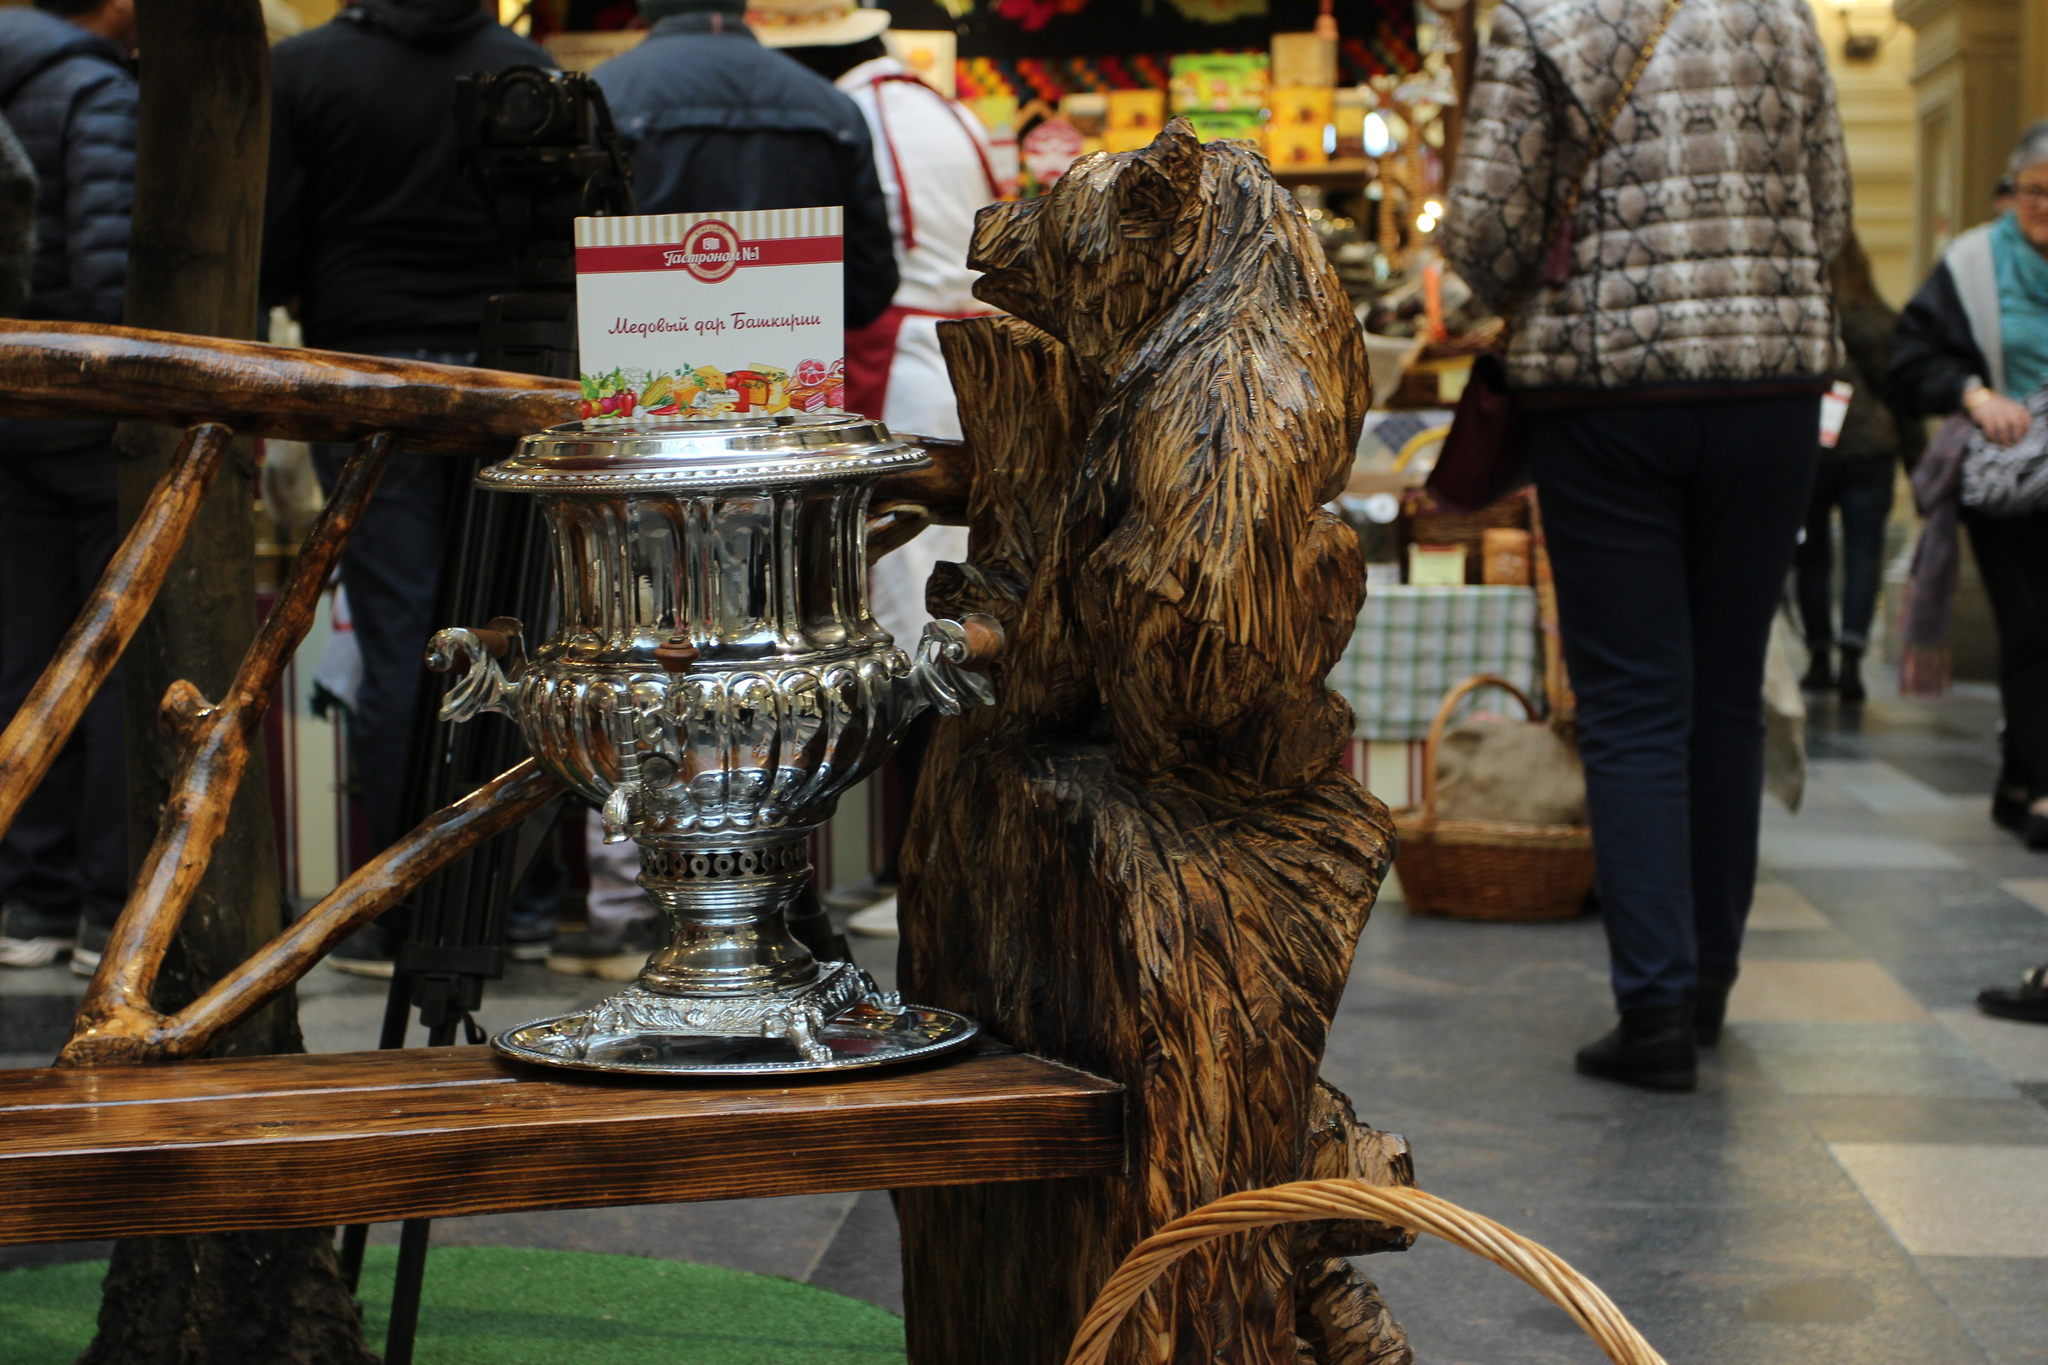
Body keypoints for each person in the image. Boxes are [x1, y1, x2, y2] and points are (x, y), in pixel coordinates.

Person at [1445, 0, 1848, 1091]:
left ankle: (1654, 1009)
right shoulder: (1788, 18)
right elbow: (1828, 207)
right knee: (1725, 693)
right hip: (1772, 382)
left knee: (1629, 704)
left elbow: (1486, 230)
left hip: (1607, 394)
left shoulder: (1542, 21)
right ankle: (1708, 984)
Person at [262, 0, 554, 973]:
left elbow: (274, 239)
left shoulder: (305, 70)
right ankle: (512, 900)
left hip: (366, 374)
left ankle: (401, 901)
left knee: (399, 644)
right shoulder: (525, 68)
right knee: (508, 635)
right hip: (503, 379)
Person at [780, 21, 999, 932]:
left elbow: (861, 271)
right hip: (971, 365)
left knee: (915, 612)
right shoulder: (950, 109)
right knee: (957, 599)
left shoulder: (848, 115)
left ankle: (920, 860)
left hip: (900, 367)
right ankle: (934, 854)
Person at [0, 0, 136, 976]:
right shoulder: (99, 89)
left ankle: (27, 902)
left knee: (24, 654)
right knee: (113, 657)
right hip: (92, 414)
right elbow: (107, 270)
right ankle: (108, 905)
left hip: (10, 411)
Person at [1891, 122, 2048, 848]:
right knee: (2031, 627)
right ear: (2011, 192)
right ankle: (2042, 787)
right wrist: (1977, 393)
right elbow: (1908, 359)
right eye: (2035, 191)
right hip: (2008, 474)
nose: (2045, 205)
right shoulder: (1973, 263)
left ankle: (2019, 781)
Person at [590, 0, 897, 332]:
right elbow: (870, 283)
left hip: (637, 353)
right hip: (792, 361)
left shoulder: (598, 97)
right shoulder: (833, 108)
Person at [1797, 233, 1922, 703]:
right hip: (1870, 454)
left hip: (1810, 454)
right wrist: (1918, 463)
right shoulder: (1876, 319)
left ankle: (1818, 656)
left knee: (1811, 556)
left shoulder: (1800, 317)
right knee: (1863, 553)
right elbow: (1902, 397)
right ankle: (1852, 653)